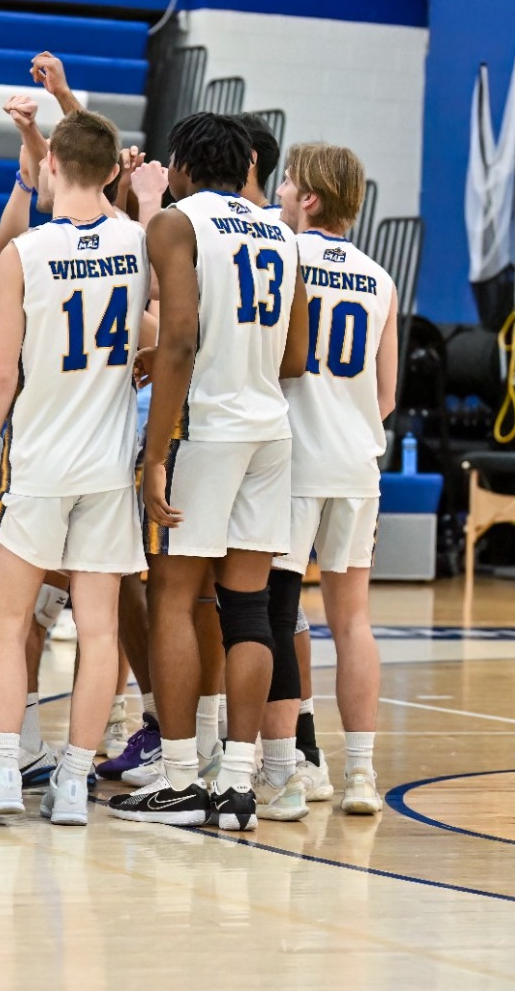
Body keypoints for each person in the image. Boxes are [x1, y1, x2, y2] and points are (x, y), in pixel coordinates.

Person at [110, 112, 310, 832]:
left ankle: (178, 779)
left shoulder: (176, 222)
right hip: (269, 431)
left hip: (206, 430)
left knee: (171, 597)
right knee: (249, 608)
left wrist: (156, 453)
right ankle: (238, 785)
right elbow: (295, 357)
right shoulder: (281, 234)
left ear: (183, 166)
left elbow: (181, 338)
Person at [0, 109, 148, 824]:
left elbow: (0, 370)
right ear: (111, 171)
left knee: (10, 624)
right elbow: (160, 331)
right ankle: (74, 782)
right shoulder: (137, 240)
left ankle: (5, 773)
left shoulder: (26, 252)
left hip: (40, 463)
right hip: (108, 467)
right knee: (100, 630)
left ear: (50, 165)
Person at [257, 144, 397, 821]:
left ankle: (290, 771)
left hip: (295, 462)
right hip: (357, 464)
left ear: (309, 198)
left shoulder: (282, 257)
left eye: (287, 183)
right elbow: (387, 395)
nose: (279, 192)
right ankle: (362, 774)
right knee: (353, 621)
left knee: (278, 612)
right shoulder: (380, 277)